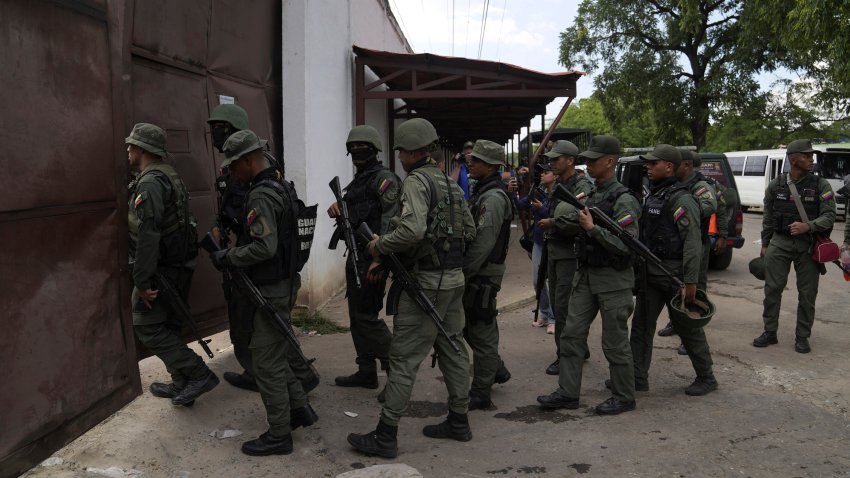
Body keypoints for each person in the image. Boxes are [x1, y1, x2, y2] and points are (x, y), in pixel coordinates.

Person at [347, 118, 475, 459]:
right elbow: (471, 232)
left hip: (427, 283)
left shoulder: (417, 182)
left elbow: (412, 231)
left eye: (401, 150)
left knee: (403, 361)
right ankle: (459, 421)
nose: (399, 156)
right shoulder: (452, 186)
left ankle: (385, 435)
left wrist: (380, 246)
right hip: (453, 280)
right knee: (453, 348)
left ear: (412, 151)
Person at [209, 130, 317, 456]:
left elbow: (264, 247)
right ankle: (300, 409)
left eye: (233, 165)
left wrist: (227, 257)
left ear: (246, 160)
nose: (232, 173)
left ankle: (279, 435)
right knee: (275, 353)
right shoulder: (282, 185)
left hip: (269, 289)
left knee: (266, 362)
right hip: (284, 283)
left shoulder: (258, 196)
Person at [536, 134, 640, 414]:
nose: (589, 164)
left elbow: (626, 245)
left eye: (594, 160)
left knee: (614, 341)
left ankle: (624, 396)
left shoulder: (624, 200)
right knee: (571, 334)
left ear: (610, 162)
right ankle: (568, 392)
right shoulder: (594, 194)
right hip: (586, 274)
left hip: (613, 279)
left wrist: (593, 229)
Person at [126, 123, 218, 406]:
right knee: (169, 325)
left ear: (142, 149)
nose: (128, 150)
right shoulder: (168, 174)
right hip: (176, 264)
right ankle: (182, 383)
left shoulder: (151, 182)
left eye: (131, 145)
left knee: (148, 327)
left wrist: (142, 282)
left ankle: (198, 373)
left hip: (161, 268)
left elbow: (148, 235)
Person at [629, 144, 718, 396]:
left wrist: (690, 282)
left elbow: (692, 243)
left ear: (668, 166)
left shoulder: (682, 198)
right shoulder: (655, 194)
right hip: (651, 274)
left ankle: (706, 376)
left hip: (674, 276)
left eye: (652, 163)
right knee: (640, 327)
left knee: (688, 328)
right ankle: (637, 377)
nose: (647, 166)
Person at [327, 125, 400, 398]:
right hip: (356, 255)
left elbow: (392, 221)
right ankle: (367, 371)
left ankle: (397, 376)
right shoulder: (359, 180)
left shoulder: (384, 179)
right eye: (353, 147)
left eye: (362, 147)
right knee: (356, 318)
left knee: (367, 317)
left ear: (374, 149)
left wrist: (379, 259)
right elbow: (355, 213)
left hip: (372, 258)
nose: (357, 151)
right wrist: (338, 209)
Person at [754, 139, 836, 354]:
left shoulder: (821, 185)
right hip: (779, 243)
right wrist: (765, 243)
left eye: (811, 156)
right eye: (806, 156)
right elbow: (768, 216)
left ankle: (802, 336)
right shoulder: (776, 185)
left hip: (808, 245)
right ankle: (770, 332)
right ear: (793, 159)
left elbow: (829, 217)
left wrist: (807, 227)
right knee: (772, 289)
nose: (811, 160)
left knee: (807, 293)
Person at [463, 139, 516, 410]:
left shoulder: (493, 197)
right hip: (479, 272)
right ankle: (496, 369)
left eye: (478, 160)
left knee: (481, 331)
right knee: (470, 327)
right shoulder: (483, 191)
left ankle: (481, 392)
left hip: (482, 274)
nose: (471, 163)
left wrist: (463, 273)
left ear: (493, 166)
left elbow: (483, 243)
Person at [537, 140, 593, 375]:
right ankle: (578, 348)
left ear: (570, 160)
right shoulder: (559, 184)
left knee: (564, 307)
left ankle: (566, 355)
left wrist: (553, 223)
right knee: (561, 304)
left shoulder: (581, 185)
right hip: (555, 251)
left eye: (556, 159)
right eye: (550, 159)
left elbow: (577, 218)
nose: (551, 163)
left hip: (570, 253)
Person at [657, 150, 719, 355]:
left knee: (695, 289)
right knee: (675, 289)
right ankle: (675, 324)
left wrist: (687, 207)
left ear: (685, 165)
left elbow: (711, 206)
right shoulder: (674, 186)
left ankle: (692, 331)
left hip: (695, 244)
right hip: (676, 245)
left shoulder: (700, 185)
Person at [515, 161, 556, 329]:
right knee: (537, 281)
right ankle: (545, 314)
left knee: (554, 282)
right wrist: (512, 191)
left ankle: (554, 318)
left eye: (546, 172)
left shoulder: (560, 193)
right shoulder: (537, 191)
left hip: (554, 242)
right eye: (542, 172)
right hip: (539, 242)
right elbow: (519, 205)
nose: (542, 174)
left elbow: (556, 217)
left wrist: (541, 209)